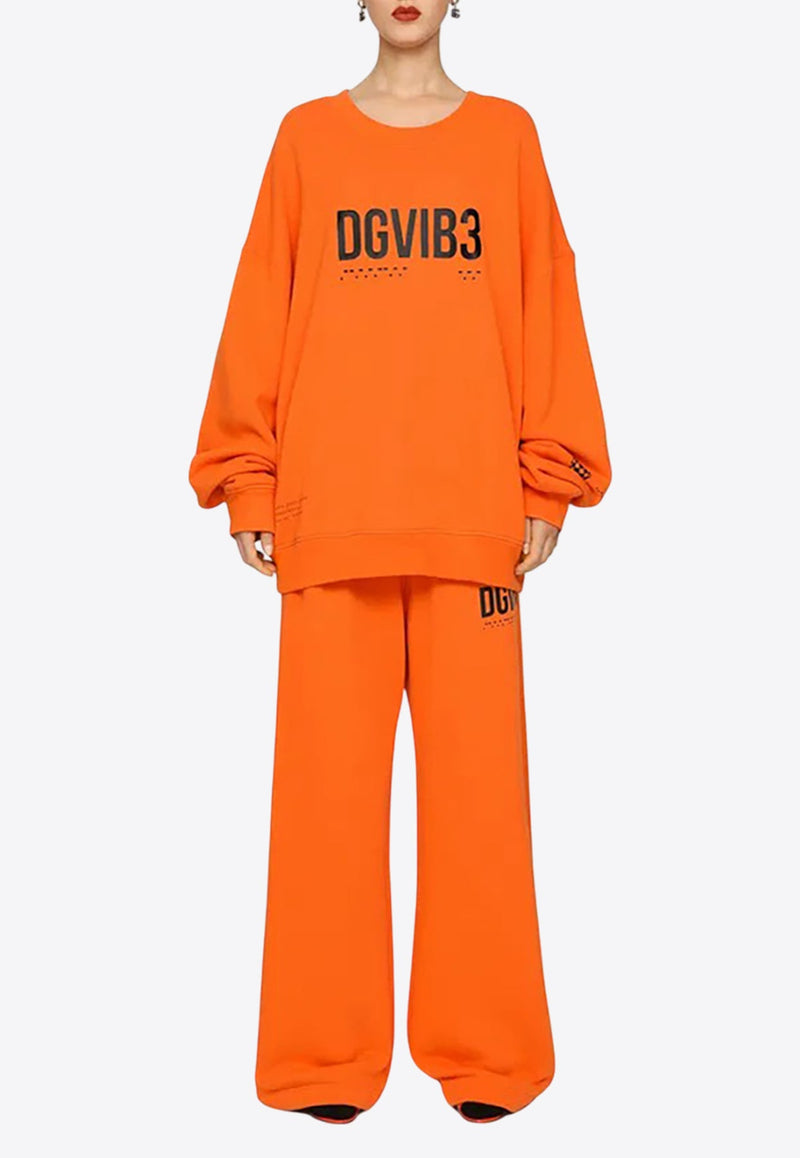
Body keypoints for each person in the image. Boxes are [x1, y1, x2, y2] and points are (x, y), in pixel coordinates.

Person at [188, 0, 611, 1128]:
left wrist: (546, 479)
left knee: (481, 809)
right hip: (332, 523)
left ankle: (487, 1053)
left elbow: (547, 303)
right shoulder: (304, 140)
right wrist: (247, 478)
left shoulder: (507, 138)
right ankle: (320, 1059)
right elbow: (260, 308)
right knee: (323, 810)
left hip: (472, 526)